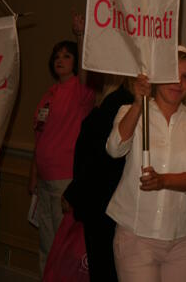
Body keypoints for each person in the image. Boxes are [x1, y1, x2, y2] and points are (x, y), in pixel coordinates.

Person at [106, 46, 186, 282]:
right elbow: (115, 148)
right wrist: (138, 103)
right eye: (172, 74)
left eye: (185, 76)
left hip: (181, 243)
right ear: (157, 77)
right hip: (135, 238)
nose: (178, 82)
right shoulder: (129, 112)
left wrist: (163, 180)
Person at [28, 13, 95, 274]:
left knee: (63, 245)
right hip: (44, 182)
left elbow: (89, 71)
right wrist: (32, 176)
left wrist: (80, 35)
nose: (60, 60)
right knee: (45, 244)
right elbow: (39, 138)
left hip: (64, 181)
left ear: (76, 61)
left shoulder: (81, 90)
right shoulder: (49, 94)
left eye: (67, 55)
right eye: (57, 56)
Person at [62, 77, 134, 281]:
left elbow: (99, 157)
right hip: (98, 200)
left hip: (105, 202)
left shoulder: (120, 101)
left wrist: (73, 192)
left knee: (105, 270)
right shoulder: (109, 99)